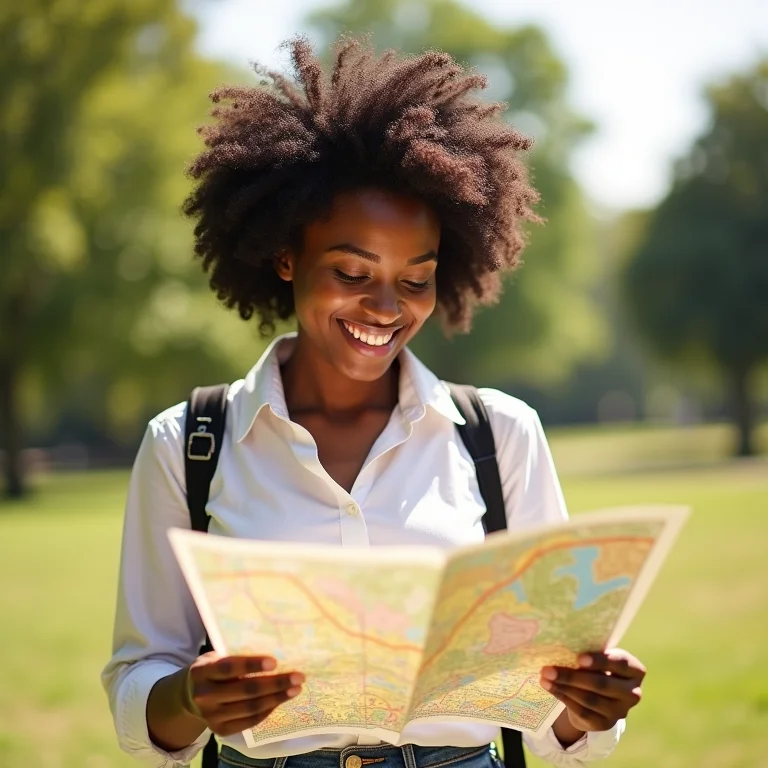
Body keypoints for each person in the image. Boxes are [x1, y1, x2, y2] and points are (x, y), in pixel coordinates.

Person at [102, 36, 646, 768]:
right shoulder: (187, 443)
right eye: (352, 270)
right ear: (287, 257)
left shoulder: (500, 437)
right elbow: (140, 689)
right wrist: (190, 699)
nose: (385, 307)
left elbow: (553, 722)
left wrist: (587, 710)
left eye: (415, 279)